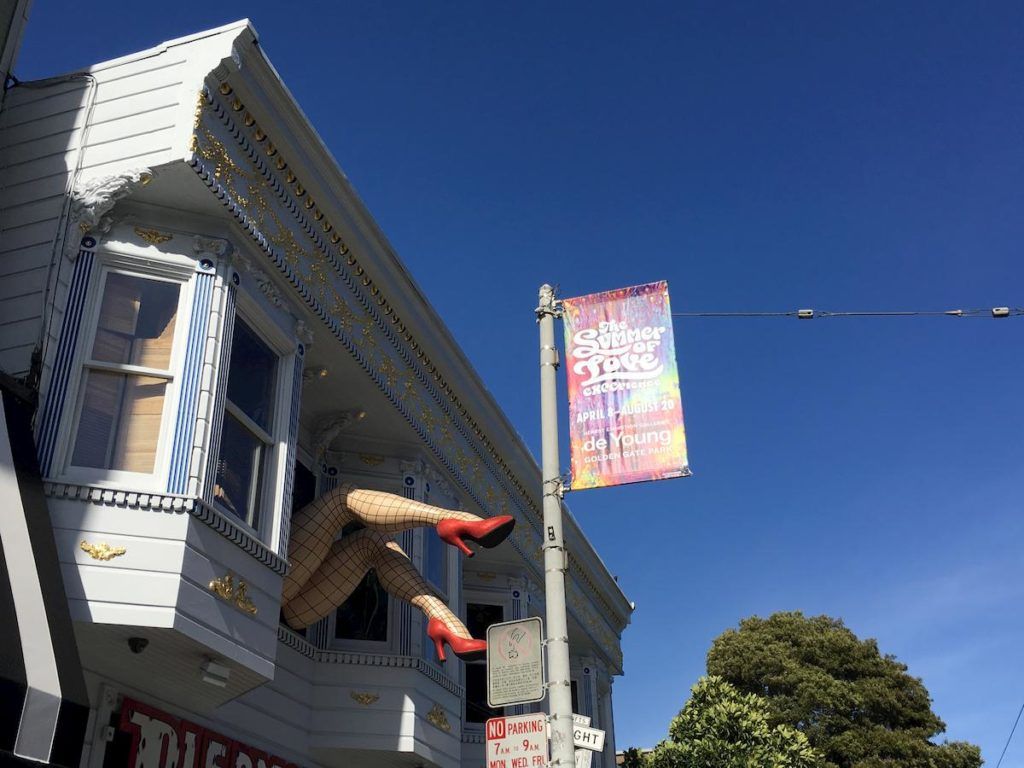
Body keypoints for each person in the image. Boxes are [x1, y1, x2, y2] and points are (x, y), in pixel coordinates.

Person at [281, 484, 514, 661]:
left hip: (281, 597)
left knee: (360, 525)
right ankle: (452, 627)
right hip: (278, 592)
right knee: (345, 504)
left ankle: (440, 611)